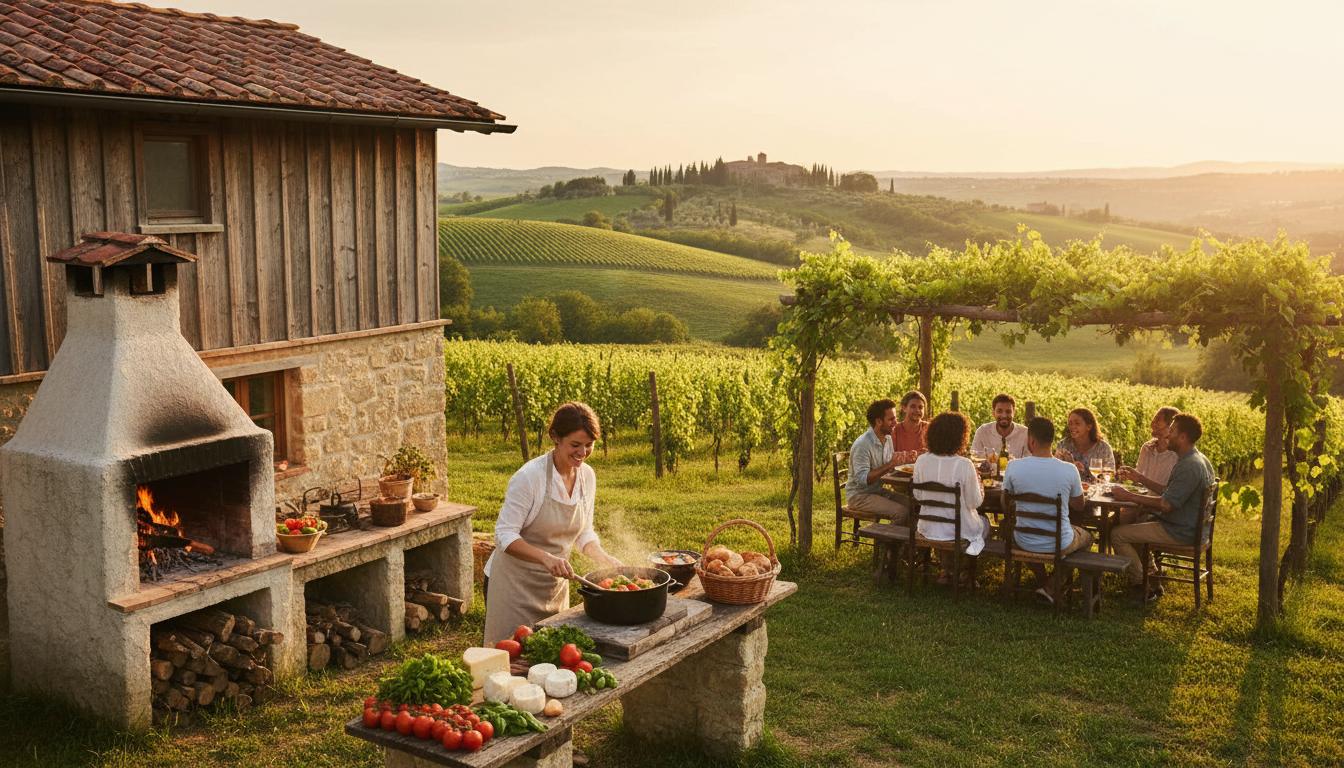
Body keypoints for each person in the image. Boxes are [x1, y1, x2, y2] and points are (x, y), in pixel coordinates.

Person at [483, 402, 622, 645]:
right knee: (512, 663)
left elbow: (584, 532)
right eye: (575, 445)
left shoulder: (587, 476)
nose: (583, 452)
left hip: (554, 586)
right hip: (513, 586)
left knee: (551, 659)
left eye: (589, 445)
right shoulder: (529, 478)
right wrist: (546, 558)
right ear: (555, 437)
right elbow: (504, 535)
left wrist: (605, 559)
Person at [1110, 414, 1216, 601]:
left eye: (1172, 431)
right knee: (1137, 521)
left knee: (1118, 534)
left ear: (1182, 437)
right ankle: (1152, 578)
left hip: (1180, 531)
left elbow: (1166, 504)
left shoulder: (1188, 466)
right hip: (1190, 526)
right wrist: (1140, 479)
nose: (1168, 435)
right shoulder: (1197, 459)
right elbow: (1170, 492)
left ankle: (1142, 585)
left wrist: (1128, 496)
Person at [1001, 417, 1092, 604]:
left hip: (1023, 539)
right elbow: (1079, 506)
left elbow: (1005, 502)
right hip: (1060, 542)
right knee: (1089, 538)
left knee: (1008, 531)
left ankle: (1045, 582)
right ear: (1052, 440)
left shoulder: (1014, 466)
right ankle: (1051, 584)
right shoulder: (1069, 470)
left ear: (1031, 441)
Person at [912, 411, 988, 585]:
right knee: (984, 524)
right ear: (960, 437)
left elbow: (918, 496)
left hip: (927, 527)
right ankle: (964, 571)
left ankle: (946, 570)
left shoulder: (921, 460)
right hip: (955, 531)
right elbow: (974, 502)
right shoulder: (964, 464)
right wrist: (981, 486)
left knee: (948, 526)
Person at [845, 399, 909, 523]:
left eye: (895, 418)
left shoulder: (887, 438)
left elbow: (887, 468)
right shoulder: (863, 445)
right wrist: (890, 464)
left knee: (912, 504)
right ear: (879, 421)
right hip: (859, 496)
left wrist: (902, 464)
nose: (896, 423)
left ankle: (905, 541)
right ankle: (884, 541)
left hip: (876, 491)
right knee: (901, 512)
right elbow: (863, 480)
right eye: (891, 419)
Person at [1119, 406, 1181, 493]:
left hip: (1158, 504)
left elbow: (1172, 494)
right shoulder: (1147, 447)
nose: (1152, 423)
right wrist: (1128, 477)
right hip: (1140, 501)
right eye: (1154, 419)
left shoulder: (1177, 455)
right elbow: (1138, 482)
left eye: (1158, 420)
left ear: (1170, 426)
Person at [1054, 407, 1115, 479]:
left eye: (1077, 423)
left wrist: (1084, 471)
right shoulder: (1063, 445)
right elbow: (1056, 473)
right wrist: (1069, 466)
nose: (1072, 427)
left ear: (1089, 426)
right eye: (1070, 423)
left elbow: (1109, 476)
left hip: (1097, 489)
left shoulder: (1103, 448)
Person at [970, 393, 1029, 460]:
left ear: (1014, 413)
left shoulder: (1025, 433)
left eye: (1008, 411)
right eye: (999, 411)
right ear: (993, 413)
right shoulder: (983, 431)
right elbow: (975, 457)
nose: (1004, 415)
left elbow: (1030, 461)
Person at [888, 390, 929, 464]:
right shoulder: (894, 430)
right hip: (898, 474)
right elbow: (889, 457)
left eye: (920, 407)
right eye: (913, 406)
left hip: (924, 473)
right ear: (904, 408)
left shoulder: (930, 429)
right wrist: (919, 455)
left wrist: (902, 456)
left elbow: (934, 456)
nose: (917, 410)